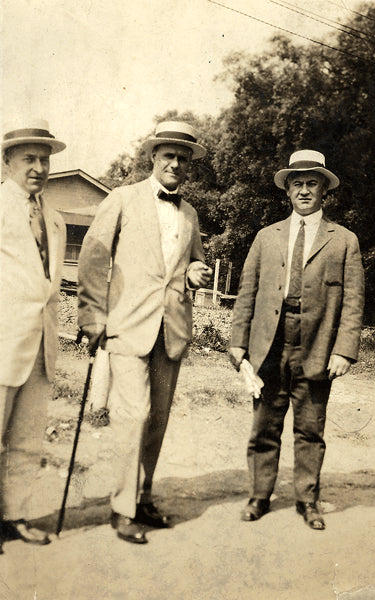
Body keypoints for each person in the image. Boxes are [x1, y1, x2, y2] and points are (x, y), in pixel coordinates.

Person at [78, 121, 212, 544]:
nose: (176, 163)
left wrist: (194, 273)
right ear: (152, 157)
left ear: (190, 166)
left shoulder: (189, 213)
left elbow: (191, 263)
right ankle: (121, 510)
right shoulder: (122, 198)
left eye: (184, 158)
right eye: (168, 155)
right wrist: (92, 318)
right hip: (127, 325)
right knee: (132, 416)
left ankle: (143, 498)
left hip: (171, 328)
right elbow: (93, 258)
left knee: (157, 421)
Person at [229, 149, 364, 530]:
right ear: (287, 191)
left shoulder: (344, 241)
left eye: (312, 183)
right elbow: (247, 293)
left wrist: (344, 351)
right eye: (297, 184)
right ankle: (259, 495)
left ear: (324, 190)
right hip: (268, 343)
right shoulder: (265, 237)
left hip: (317, 345)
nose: (304, 191)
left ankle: (308, 501)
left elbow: (354, 302)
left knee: (310, 428)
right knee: (264, 425)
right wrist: (238, 342)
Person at [0, 119, 67, 550]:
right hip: (2, 341)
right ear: (7, 161)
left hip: (41, 343)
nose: (39, 167)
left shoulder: (56, 218)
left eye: (44, 159)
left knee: (26, 440)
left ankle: (16, 516)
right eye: (29, 159)